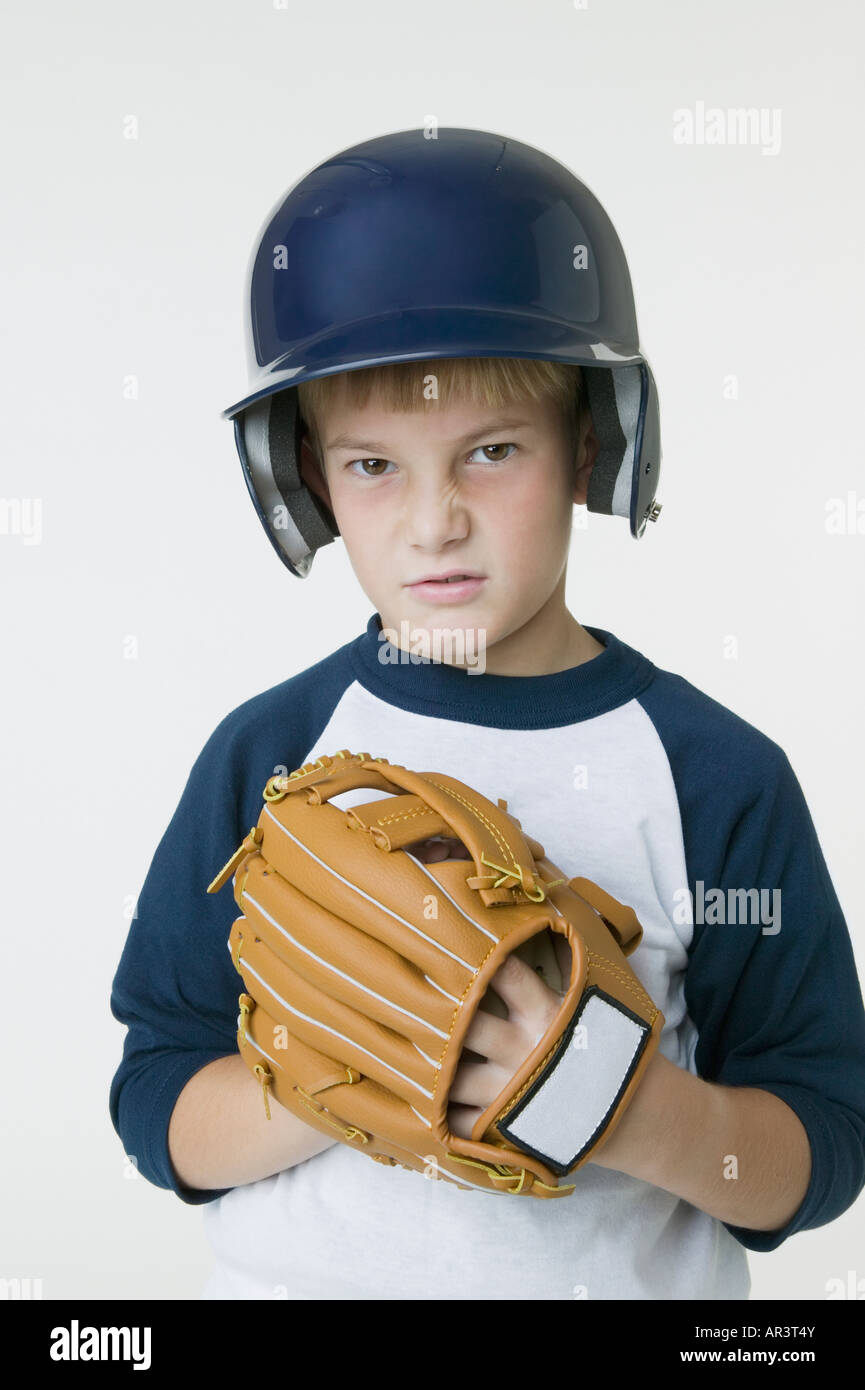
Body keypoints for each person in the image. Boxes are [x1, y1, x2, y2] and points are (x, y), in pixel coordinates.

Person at [108, 128, 865, 1301]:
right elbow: (157, 1100)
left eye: (492, 451)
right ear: (307, 476)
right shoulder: (264, 754)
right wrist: (350, 1065)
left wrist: (618, 1106)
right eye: (373, 466)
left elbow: (819, 1148)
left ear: (589, 448)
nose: (432, 522)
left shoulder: (717, 776)